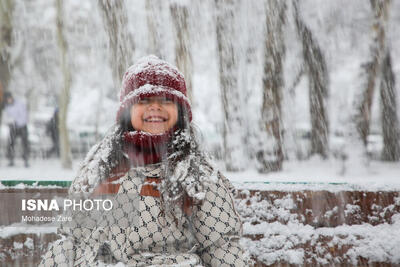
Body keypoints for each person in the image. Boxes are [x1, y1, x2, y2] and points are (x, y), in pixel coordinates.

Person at [39, 56, 249, 266]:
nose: (155, 107)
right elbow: (75, 238)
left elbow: (220, 246)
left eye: (166, 100)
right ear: (127, 111)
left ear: (181, 111)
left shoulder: (195, 174)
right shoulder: (103, 167)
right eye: (144, 100)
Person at [3, 92, 30, 167]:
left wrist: (16, 122)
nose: (8, 100)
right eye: (7, 99)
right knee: (11, 143)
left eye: (9, 98)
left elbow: (24, 115)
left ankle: (26, 160)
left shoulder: (20, 104)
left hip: (22, 126)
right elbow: (6, 117)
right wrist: (10, 122)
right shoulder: (7, 106)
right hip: (13, 127)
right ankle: (11, 159)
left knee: (25, 143)